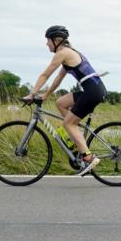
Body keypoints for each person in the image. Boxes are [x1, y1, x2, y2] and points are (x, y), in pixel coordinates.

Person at [23, 25, 106, 175]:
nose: (46, 44)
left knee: (68, 123)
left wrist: (32, 93)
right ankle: (75, 137)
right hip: (92, 90)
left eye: (48, 40)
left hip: (92, 92)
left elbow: (45, 75)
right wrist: (45, 95)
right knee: (60, 103)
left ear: (56, 41)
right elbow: (58, 78)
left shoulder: (63, 53)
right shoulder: (69, 53)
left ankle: (88, 157)